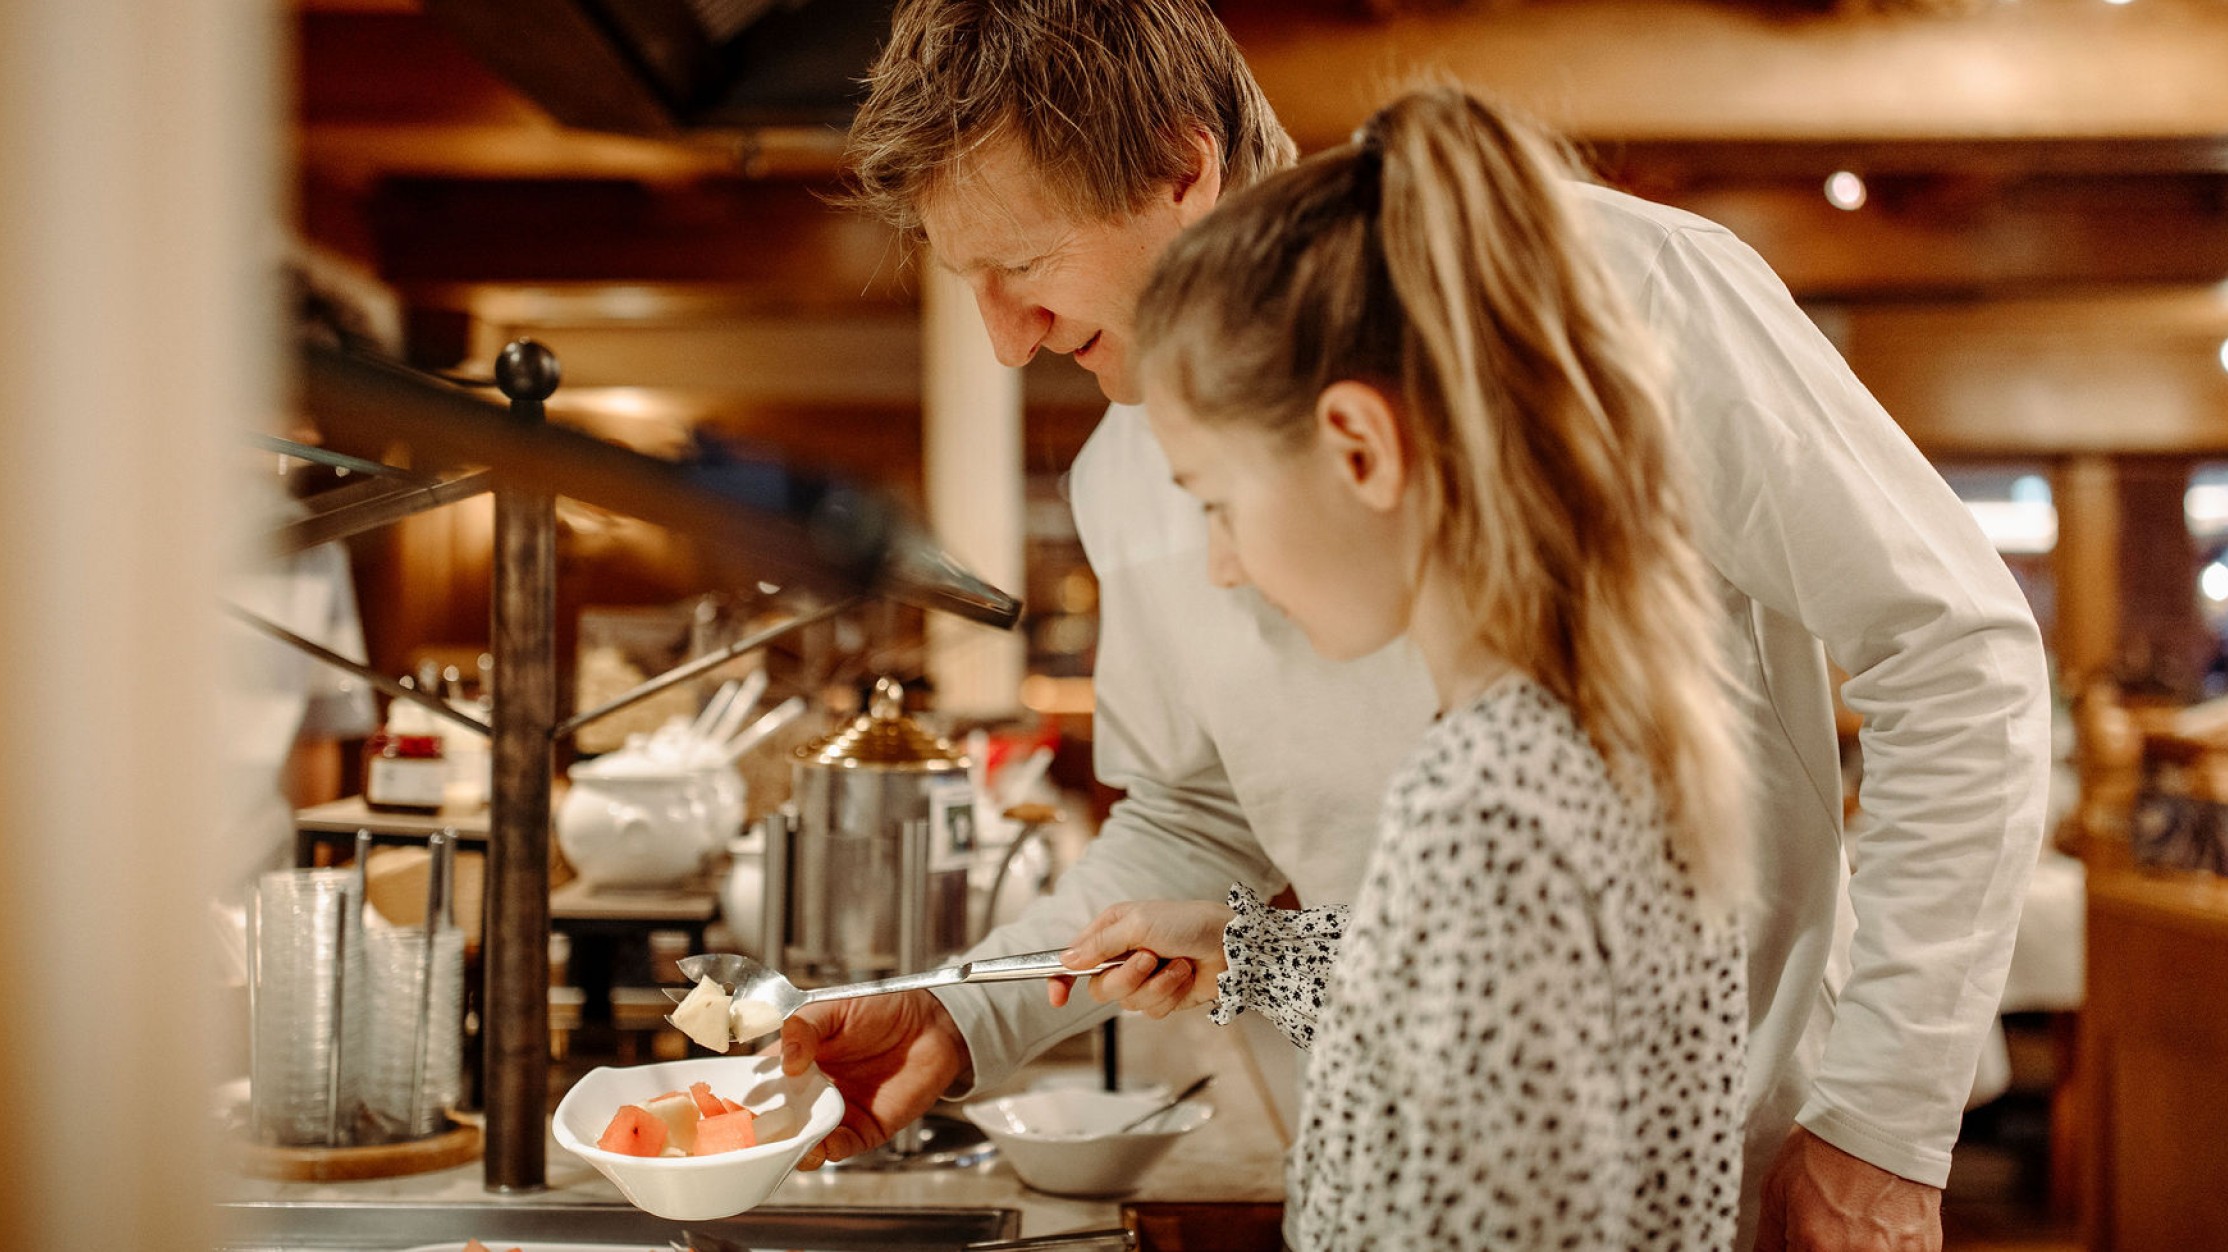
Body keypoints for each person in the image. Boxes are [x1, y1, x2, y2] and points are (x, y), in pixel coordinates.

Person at [778, 4, 2049, 1248]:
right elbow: (1198, 815)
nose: (1005, 344)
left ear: (1180, 164)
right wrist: (965, 1013)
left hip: (1746, 1151)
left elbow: (1954, 656)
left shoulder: (1621, 293)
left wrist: (1884, 1117)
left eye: (1021, 265)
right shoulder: (1127, 460)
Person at [1027, 84, 1752, 1248]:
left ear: (1358, 448)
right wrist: (1248, 953)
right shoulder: (1603, 734)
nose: (1218, 565)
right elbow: (1474, 1012)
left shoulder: (1481, 799)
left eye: (1219, 503)